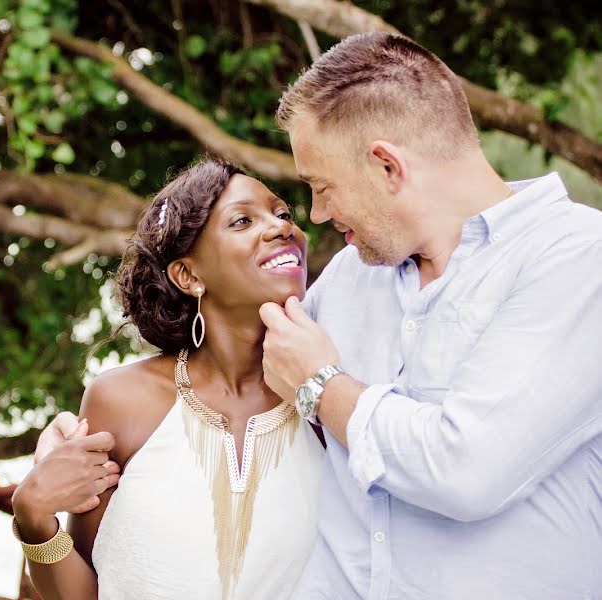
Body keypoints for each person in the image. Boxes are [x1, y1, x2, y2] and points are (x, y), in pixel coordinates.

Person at [257, 32, 602, 598]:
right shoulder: (346, 277)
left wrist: (322, 386)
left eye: (322, 187)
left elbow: (468, 469)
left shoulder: (576, 257)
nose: (316, 214)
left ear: (388, 166)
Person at [11, 160, 325, 600]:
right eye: (242, 220)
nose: (280, 227)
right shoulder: (120, 401)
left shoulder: (327, 400)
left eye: (283, 213)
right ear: (189, 276)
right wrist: (33, 518)